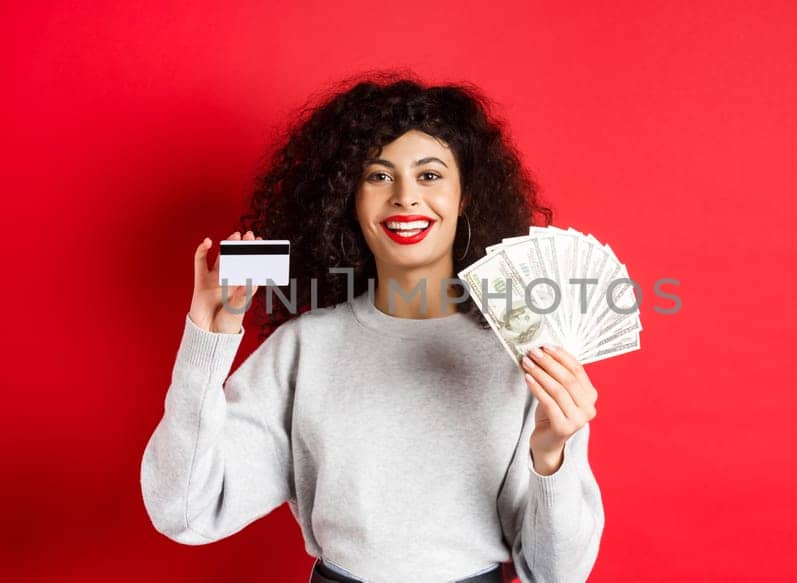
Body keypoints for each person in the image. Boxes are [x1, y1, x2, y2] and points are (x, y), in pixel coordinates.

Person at [140, 73, 605, 583]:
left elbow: (558, 574)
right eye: (379, 176)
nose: (405, 198)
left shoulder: (523, 352)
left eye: (429, 175)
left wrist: (552, 452)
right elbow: (185, 511)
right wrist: (207, 343)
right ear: (348, 199)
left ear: (466, 195)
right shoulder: (303, 348)